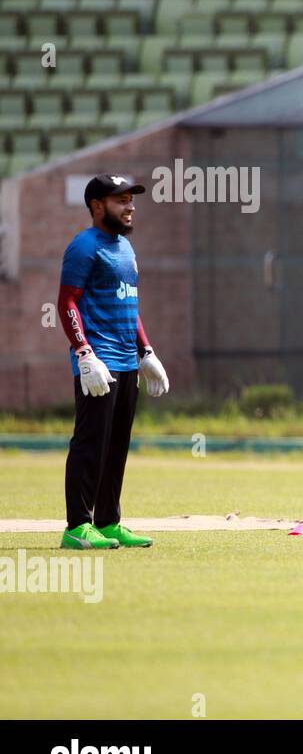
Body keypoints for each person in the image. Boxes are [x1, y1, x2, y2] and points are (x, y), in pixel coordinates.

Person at [58, 174, 171, 550]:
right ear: (97, 206)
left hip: (125, 362)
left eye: (131, 199)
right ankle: (78, 526)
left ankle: (107, 522)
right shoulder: (84, 246)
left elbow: (129, 304)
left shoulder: (124, 249)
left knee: (116, 444)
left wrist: (146, 352)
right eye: (120, 200)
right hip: (98, 362)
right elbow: (67, 302)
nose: (130, 206)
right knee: (90, 443)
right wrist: (84, 353)